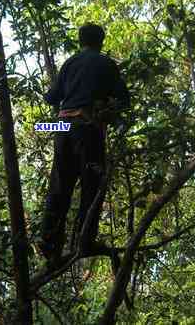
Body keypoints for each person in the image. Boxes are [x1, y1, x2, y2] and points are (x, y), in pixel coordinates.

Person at [39, 23, 130, 265]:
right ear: (101, 42)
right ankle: (84, 239)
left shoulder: (69, 63)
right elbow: (124, 100)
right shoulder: (106, 64)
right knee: (91, 185)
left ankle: (49, 245)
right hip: (87, 128)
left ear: (81, 42)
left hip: (61, 127)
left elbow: (52, 97)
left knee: (60, 185)